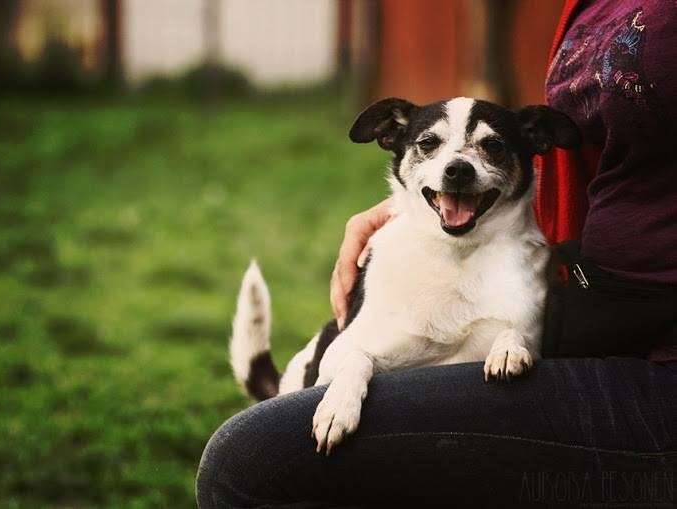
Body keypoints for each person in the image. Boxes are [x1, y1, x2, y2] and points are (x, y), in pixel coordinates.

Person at [196, 0, 677, 506]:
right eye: (431, 147)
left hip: (654, 360)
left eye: (488, 148)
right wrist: (413, 208)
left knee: (248, 459)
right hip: (594, 319)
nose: (458, 164)